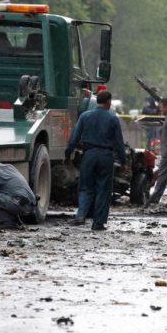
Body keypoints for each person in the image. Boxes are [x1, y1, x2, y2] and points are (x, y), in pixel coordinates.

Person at [65, 90, 127, 231]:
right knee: (103, 189)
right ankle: (98, 223)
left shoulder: (85, 116)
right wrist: (123, 162)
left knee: (85, 187)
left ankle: (80, 216)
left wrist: (68, 153)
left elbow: (74, 136)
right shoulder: (112, 118)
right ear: (108, 102)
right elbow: (119, 143)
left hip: (89, 155)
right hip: (106, 156)